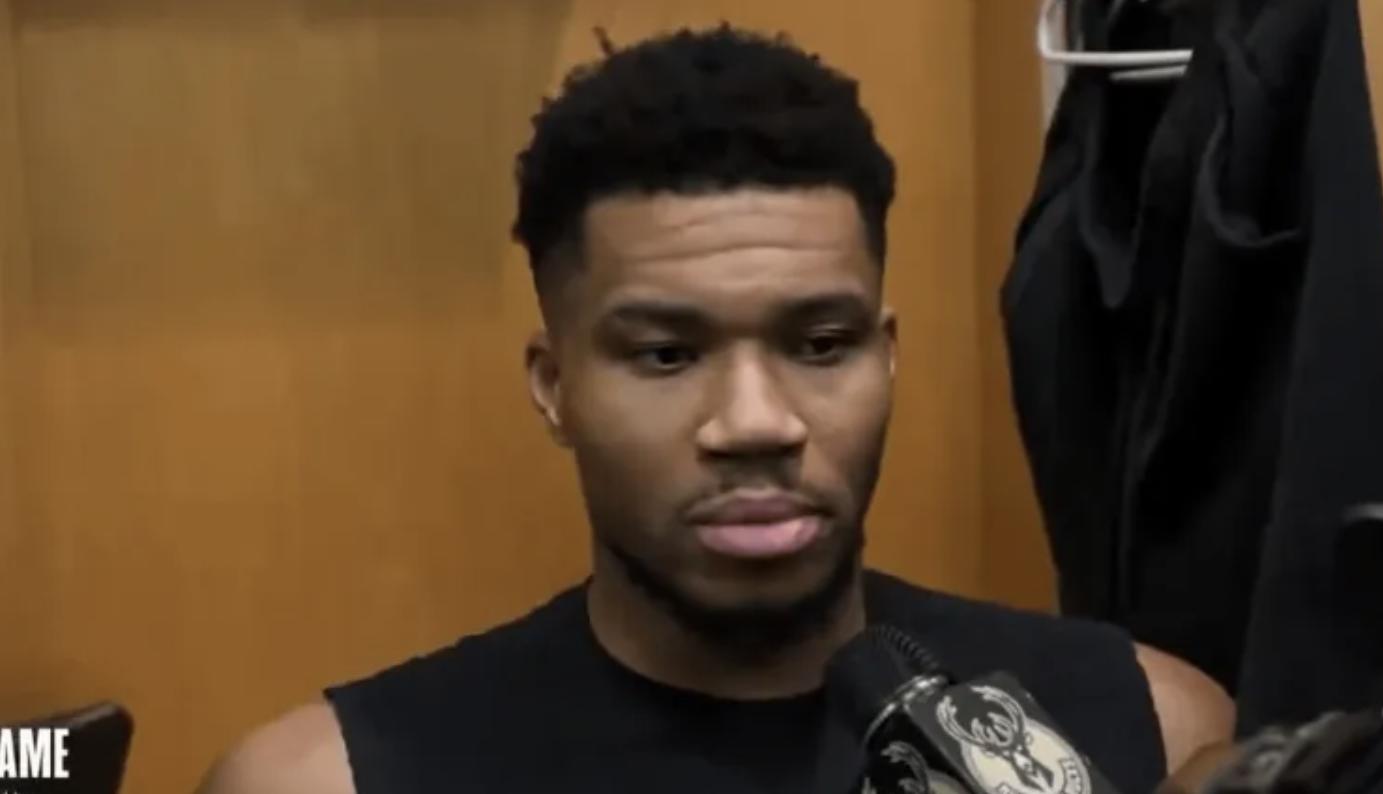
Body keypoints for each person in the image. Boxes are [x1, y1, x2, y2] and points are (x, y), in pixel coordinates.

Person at [196, 25, 1233, 794]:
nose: (754, 421)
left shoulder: (1153, 729)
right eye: (666, 353)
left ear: (886, 358)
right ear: (554, 386)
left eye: (819, 345)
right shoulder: (330, 781)